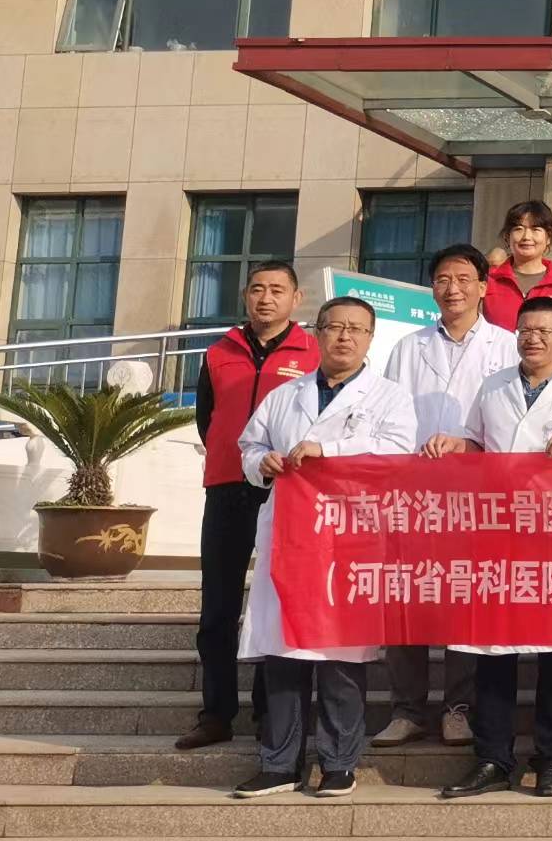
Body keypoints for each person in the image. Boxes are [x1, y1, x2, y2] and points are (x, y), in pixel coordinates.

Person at [427, 295, 552, 799]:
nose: (532, 339)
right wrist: (455, 444)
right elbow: (477, 443)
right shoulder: (493, 385)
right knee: (494, 650)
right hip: (500, 531)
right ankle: (492, 758)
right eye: (524, 331)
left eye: (543, 331)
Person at [228, 297, 417, 799]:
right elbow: (248, 445)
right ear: (317, 333)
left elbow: (397, 455)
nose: (345, 337)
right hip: (291, 537)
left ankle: (338, 763)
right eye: (335, 327)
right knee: (284, 652)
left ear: (371, 339)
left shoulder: (390, 397)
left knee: (340, 656)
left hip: (349, 537)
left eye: (357, 329)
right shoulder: (284, 395)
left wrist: (328, 450)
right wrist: (261, 462)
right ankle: (279, 764)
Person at [372, 245, 517, 750]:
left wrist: (466, 446)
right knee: (404, 595)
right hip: (412, 490)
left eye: (463, 279)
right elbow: (386, 413)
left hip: (476, 491)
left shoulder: (507, 346)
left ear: (484, 286)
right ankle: (407, 708)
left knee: (464, 596)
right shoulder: (407, 347)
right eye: (442, 279)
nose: (452, 289)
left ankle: (459, 707)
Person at [178, 261, 315, 751]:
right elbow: (207, 418)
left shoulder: (313, 350)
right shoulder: (219, 352)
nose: (266, 298)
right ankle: (216, 714)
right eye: (257, 289)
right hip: (226, 487)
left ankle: (268, 711)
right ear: (245, 296)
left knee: (274, 600)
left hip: (286, 490)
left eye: (277, 289)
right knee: (218, 605)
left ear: (296, 299)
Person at [483, 200, 552, 330]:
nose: (526, 237)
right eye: (518, 229)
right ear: (507, 237)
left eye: (535, 229)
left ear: (548, 238)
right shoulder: (488, 280)